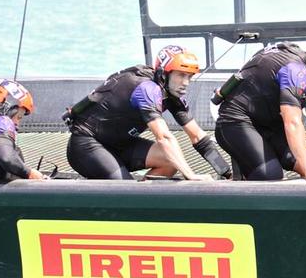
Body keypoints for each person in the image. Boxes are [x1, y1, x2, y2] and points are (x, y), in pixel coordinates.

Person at [213, 27, 306, 186]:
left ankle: (267, 156)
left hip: (270, 126)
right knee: (271, 175)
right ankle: (240, 178)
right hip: (236, 122)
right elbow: (292, 122)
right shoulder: (295, 69)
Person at [64, 45, 229, 181]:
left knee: (171, 161)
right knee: (127, 190)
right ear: (164, 74)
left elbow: (198, 136)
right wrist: (191, 175)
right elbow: (163, 137)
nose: (185, 83)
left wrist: (225, 172)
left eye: (189, 76)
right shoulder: (146, 88)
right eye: (181, 75)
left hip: (120, 145)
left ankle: (145, 201)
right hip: (87, 145)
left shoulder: (171, 92)